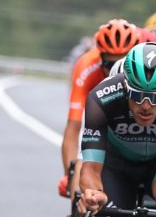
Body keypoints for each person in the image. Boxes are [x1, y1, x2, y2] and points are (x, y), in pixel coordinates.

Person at [77, 42, 156, 216]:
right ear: (125, 86)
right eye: (137, 95)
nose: (146, 105)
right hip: (117, 161)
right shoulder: (101, 97)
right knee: (102, 211)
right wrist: (92, 194)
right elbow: (90, 168)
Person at [59, 19, 140, 203]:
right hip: (99, 115)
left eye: (124, 63)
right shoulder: (87, 65)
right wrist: (69, 176)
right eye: (109, 64)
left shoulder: (145, 67)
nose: (117, 70)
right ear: (99, 56)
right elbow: (73, 128)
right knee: (81, 168)